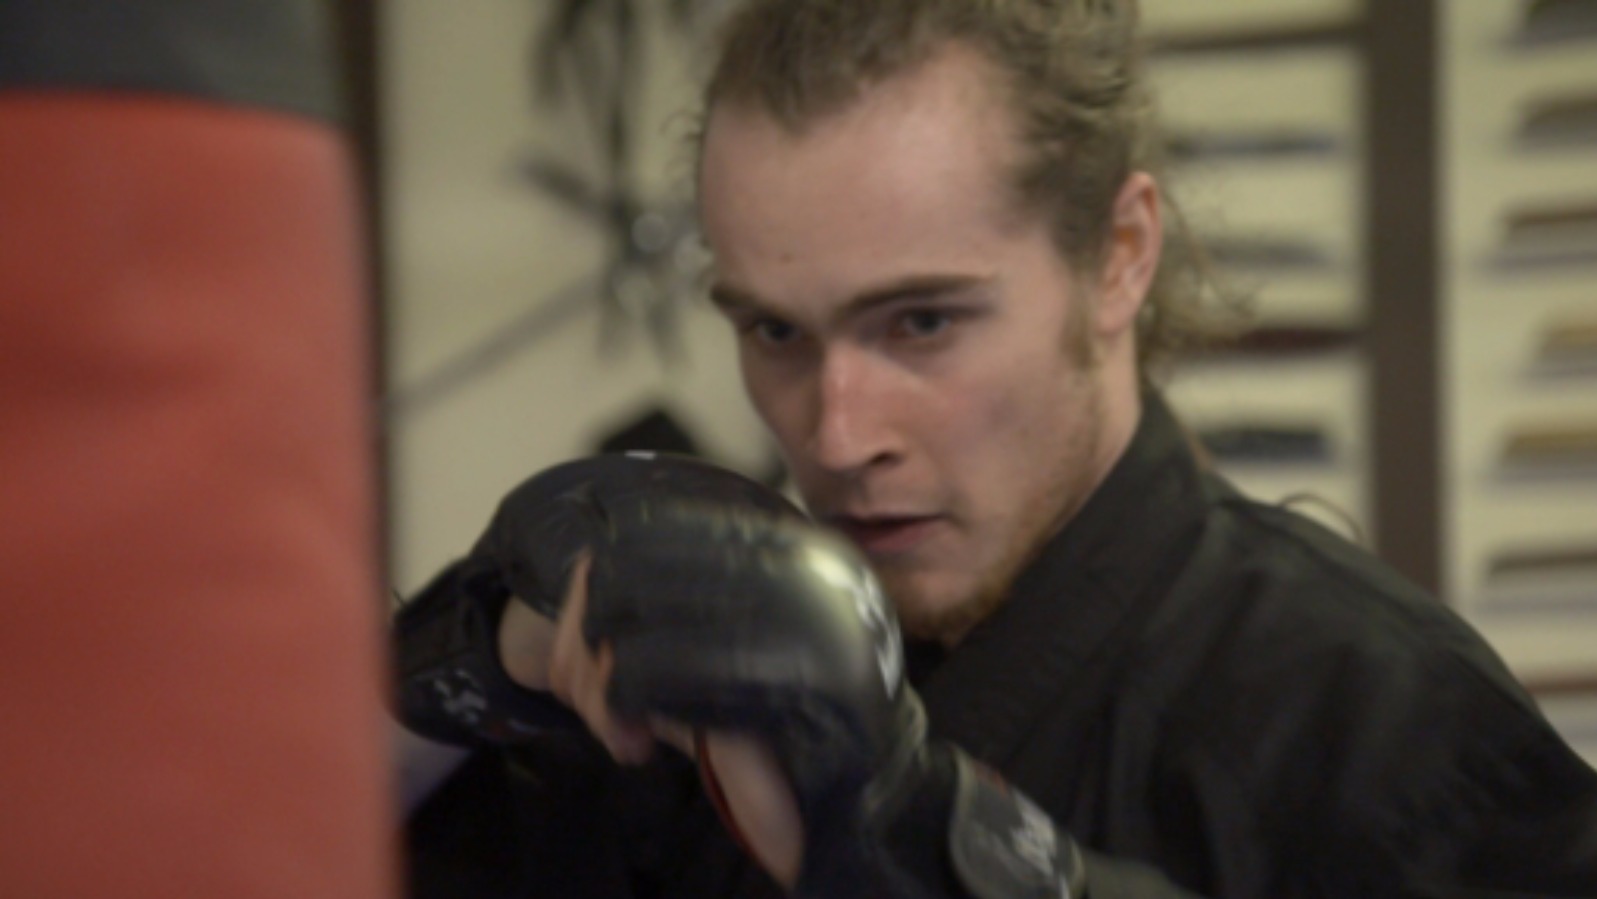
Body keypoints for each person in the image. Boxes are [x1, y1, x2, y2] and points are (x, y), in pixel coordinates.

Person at [393, 1, 1597, 897]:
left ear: (1117, 256)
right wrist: (485, 652)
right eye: (774, 330)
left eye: (921, 321)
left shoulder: (1376, 724)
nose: (836, 434)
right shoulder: (693, 675)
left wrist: (925, 838)